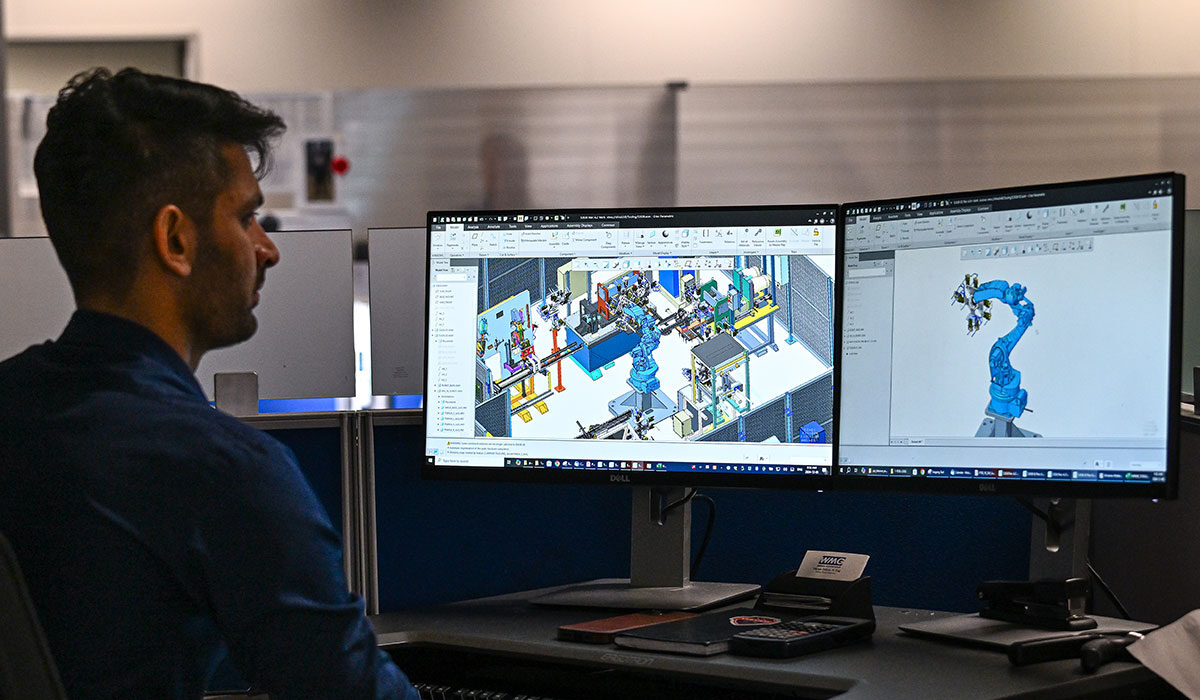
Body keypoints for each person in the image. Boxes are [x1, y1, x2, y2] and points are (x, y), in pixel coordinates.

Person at [0, 68, 419, 700]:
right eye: (248, 218)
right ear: (176, 239)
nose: (267, 249)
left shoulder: (14, 404)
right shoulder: (221, 468)